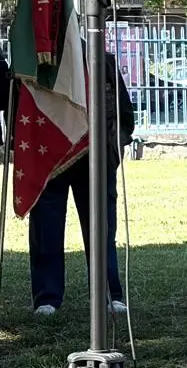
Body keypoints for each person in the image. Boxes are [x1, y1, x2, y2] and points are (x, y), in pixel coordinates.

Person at [29, 52, 135, 317]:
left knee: (102, 227)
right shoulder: (35, 61)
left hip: (96, 155)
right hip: (50, 156)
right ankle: (47, 297)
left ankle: (111, 293)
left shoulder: (102, 59)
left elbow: (123, 110)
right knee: (46, 228)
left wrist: (117, 143)